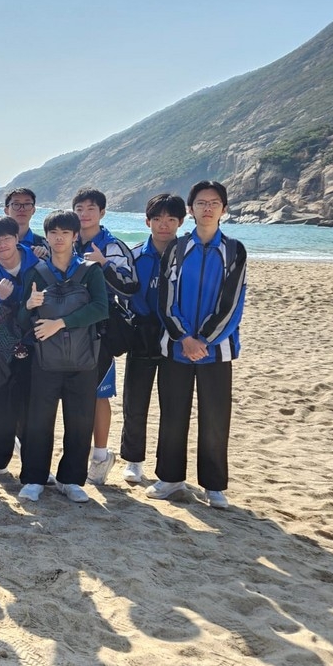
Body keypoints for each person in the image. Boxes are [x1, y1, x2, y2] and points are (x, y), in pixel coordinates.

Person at [147, 181, 247, 510]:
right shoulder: (176, 249)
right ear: (190, 209)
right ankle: (169, 478)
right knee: (172, 415)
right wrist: (184, 338)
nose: (207, 208)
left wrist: (203, 339)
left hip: (216, 350)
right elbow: (165, 300)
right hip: (176, 348)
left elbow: (232, 303)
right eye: (201, 202)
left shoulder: (234, 250)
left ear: (224, 209)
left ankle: (214, 486)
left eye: (214, 203)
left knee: (215, 419)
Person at [17, 210, 108, 504]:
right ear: (47, 236)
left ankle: (71, 480)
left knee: (80, 421)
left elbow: (101, 308)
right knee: (38, 421)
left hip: (83, 359)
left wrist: (60, 323)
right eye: (53, 233)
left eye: (65, 233)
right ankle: (34, 478)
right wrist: (28, 305)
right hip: (45, 360)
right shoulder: (36, 272)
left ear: (75, 236)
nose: (59, 238)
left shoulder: (90, 271)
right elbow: (22, 321)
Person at [72, 188, 139, 486]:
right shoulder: (66, 240)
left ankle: (100, 456)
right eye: (79, 209)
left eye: (91, 208)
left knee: (99, 393)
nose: (84, 214)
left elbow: (131, 287)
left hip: (101, 330)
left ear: (102, 212)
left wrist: (104, 264)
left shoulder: (113, 246)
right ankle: (77, 454)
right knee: (73, 393)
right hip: (69, 329)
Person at [120, 194, 186, 483]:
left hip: (177, 337)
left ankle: (169, 467)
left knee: (173, 406)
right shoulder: (134, 255)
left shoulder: (189, 255)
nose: (164, 225)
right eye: (157, 218)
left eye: (171, 219)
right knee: (135, 401)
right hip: (142, 335)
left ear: (181, 222)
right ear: (147, 221)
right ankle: (133, 460)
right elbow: (125, 293)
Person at [0, 215, 40, 481]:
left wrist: (12, 298)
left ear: (16, 238)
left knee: (32, 403)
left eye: (6, 239)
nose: (1, 246)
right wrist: (1, 298)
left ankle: (33, 462)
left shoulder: (39, 263)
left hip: (35, 340)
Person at [0, 187, 47, 264]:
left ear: (33, 210)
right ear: (6, 210)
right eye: (16, 204)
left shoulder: (42, 244)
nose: (22, 209)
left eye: (27, 204)